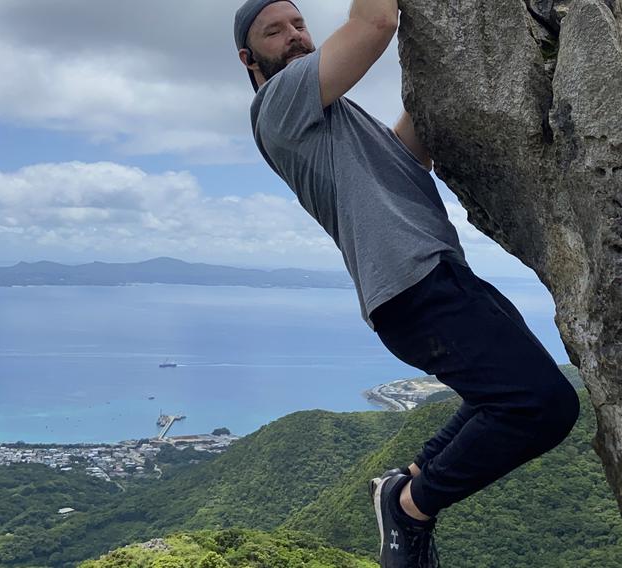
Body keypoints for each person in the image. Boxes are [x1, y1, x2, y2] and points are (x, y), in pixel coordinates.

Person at [234, 1, 581, 566]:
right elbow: (375, 21)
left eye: (299, 23)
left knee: (512, 393)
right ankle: (411, 506)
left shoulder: (338, 121)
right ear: (250, 60)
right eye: (275, 32)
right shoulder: (278, 104)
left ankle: (409, 478)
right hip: (413, 287)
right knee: (543, 406)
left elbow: (407, 157)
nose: (295, 36)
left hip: (435, 276)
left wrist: (436, 78)